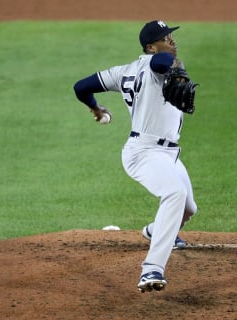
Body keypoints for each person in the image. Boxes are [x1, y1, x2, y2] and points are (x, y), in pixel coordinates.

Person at [73, 20, 198, 293]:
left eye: (171, 36)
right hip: (143, 152)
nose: (172, 41)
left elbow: (81, 86)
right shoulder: (157, 64)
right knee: (174, 193)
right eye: (165, 38)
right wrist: (173, 65)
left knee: (188, 209)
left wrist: (96, 108)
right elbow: (159, 64)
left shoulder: (123, 71)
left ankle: (154, 230)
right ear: (150, 47)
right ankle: (152, 268)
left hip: (167, 154)